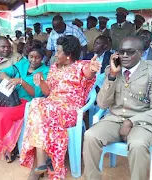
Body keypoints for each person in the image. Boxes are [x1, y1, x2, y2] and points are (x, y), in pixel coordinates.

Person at [83, 35, 152, 180]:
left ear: (141, 53)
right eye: (121, 51)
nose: (124, 56)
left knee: (138, 144)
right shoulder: (112, 70)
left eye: (130, 52)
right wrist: (112, 76)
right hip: (114, 119)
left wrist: (131, 122)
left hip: (143, 122)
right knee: (90, 136)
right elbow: (102, 104)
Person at [20, 35, 101, 180]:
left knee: (42, 109)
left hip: (71, 109)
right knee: (37, 104)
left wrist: (93, 70)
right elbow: (47, 92)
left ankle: (39, 166)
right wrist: (42, 81)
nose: (55, 54)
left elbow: (89, 73)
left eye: (58, 52)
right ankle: (42, 164)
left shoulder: (80, 66)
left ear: (68, 55)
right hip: (52, 105)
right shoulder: (54, 68)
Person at [0, 40, 49, 163]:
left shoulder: (45, 71)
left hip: (27, 102)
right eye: (31, 56)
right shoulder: (22, 64)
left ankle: (10, 147)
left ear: (42, 58)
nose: (33, 60)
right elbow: (1, 73)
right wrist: (9, 80)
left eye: (37, 57)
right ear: (27, 55)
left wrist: (21, 82)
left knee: (5, 116)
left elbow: (37, 94)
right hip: (10, 98)